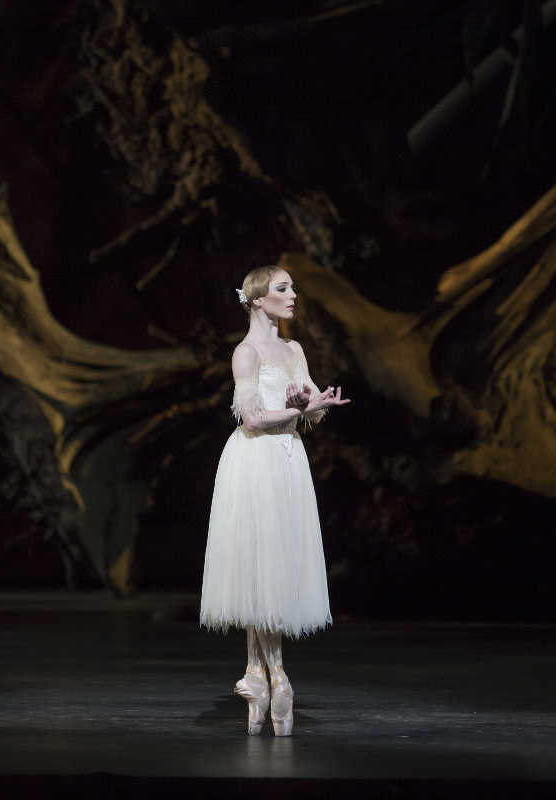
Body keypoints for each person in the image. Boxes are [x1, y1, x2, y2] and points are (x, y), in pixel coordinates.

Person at [200, 265, 350, 736]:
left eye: (291, 288)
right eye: (283, 289)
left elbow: (308, 412)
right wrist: (298, 409)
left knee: (272, 567)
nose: (293, 295)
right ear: (259, 299)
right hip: (255, 460)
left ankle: (256, 676)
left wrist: (318, 404)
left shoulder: (294, 349)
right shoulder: (245, 354)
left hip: (288, 461)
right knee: (256, 563)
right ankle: (277, 674)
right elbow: (251, 419)